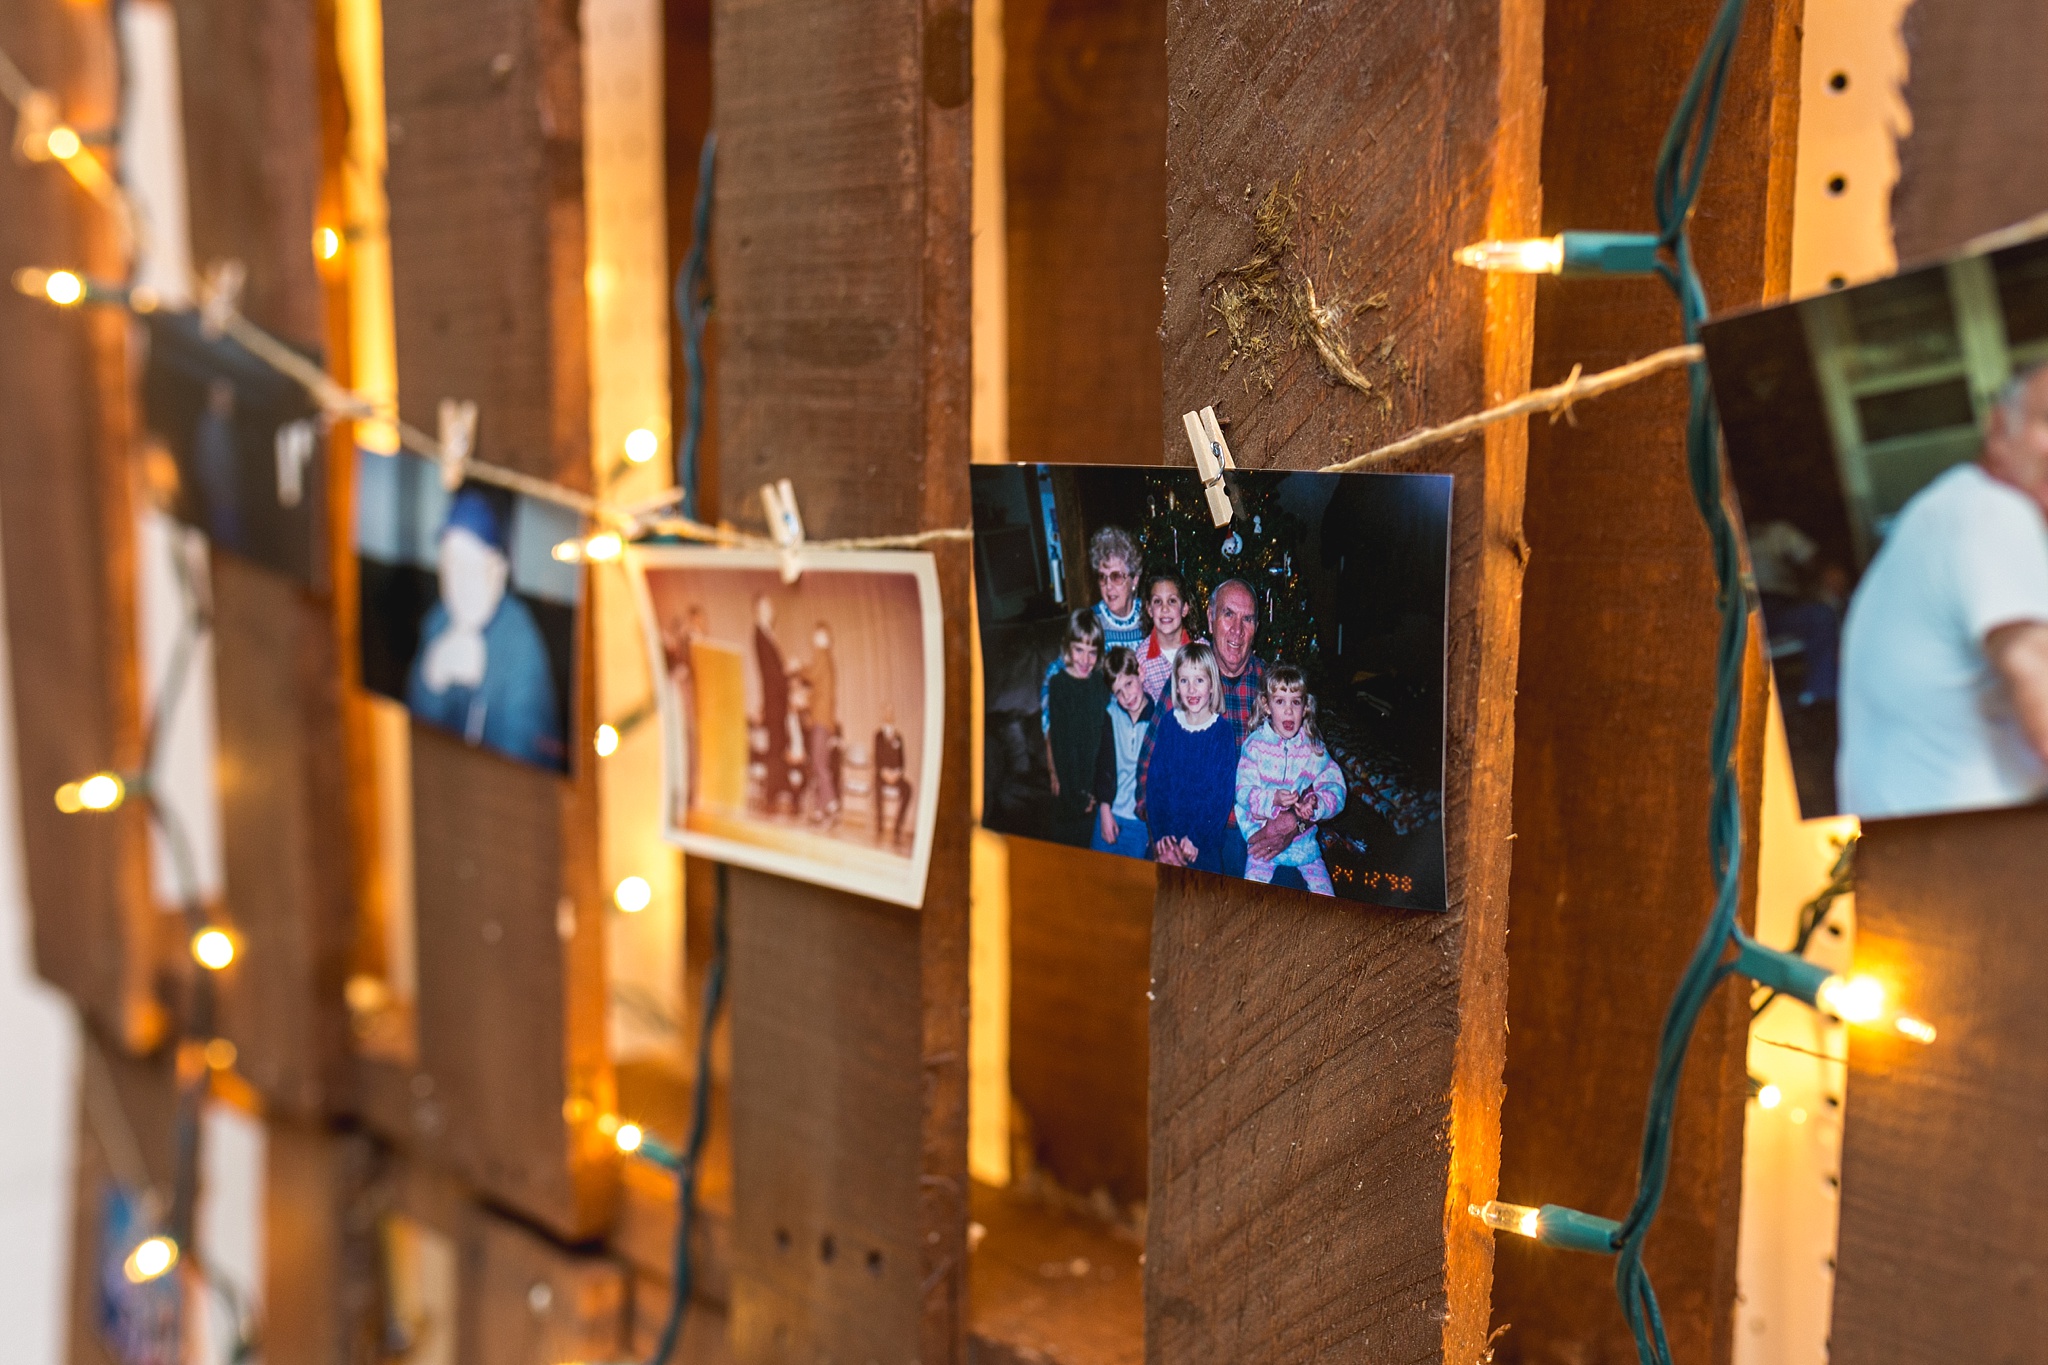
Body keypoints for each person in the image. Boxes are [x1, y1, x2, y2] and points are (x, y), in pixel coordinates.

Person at [1837, 362, 2048, 817]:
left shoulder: (1956, 504)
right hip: (1961, 842)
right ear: (1998, 429)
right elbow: (2040, 681)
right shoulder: (1993, 514)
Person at [406, 487, 563, 768]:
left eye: (470, 565)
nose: (456, 582)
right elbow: (410, 745)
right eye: (451, 562)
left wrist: (485, 683)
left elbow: (527, 768)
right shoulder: (438, 621)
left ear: (497, 572)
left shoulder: (522, 645)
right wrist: (430, 681)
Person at [1136, 577, 1267, 874]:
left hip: (1247, 827)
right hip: (1179, 824)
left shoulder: (1270, 686)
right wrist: (1160, 838)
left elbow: (1309, 757)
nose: (1237, 629)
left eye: (1247, 619)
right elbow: (1149, 769)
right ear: (1210, 618)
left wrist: (1292, 821)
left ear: (1256, 629)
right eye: (1228, 614)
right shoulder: (1187, 680)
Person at [1234, 665, 1346, 894]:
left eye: (1295, 702)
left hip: (1305, 848)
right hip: (1262, 843)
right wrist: (1271, 799)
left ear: (1305, 707)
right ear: (1266, 706)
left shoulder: (1314, 749)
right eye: (1280, 702)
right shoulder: (1255, 746)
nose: (1288, 712)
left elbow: (1337, 788)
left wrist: (1315, 805)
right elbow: (1243, 791)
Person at [1039, 526, 1148, 737]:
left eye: (1116, 577)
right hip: (1106, 730)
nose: (1108, 586)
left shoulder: (1152, 616)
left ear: (1134, 580)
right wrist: (1050, 729)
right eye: (1102, 577)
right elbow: (1053, 675)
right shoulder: (1091, 623)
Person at [1145, 642, 1239, 874]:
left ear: (1211, 685)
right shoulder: (1169, 723)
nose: (1191, 689)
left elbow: (1221, 796)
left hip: (1202, 843)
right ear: (1176, 686)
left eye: (1199, 680)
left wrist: (1196, 838)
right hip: (1166, 837)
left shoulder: (1221, 732)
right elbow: (1156, 784)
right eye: (1184, 680)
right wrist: (1160, 833)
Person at [1044, 610, 1108, 847]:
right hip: (1070, 793)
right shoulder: (1059, 684)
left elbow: (1102, 741)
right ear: (1067, 648)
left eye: (1092, 652)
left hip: (1096, 789)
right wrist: (1077, 796)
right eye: (1079, 649)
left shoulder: (1100, 684)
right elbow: (1062, 745)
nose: (1085, 659)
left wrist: (1098, 793)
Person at [1090, 644, 1156, 858]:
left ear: (1141, 674)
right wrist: (1104, 809)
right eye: (1119, 692)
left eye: (1129, 683)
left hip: (1139, 822)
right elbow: (1103, 764)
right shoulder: (1111, 715)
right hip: (1109, 813)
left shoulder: (1158, 720)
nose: (1127, 696)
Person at [753, 594, 793, 811]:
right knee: (774, 748)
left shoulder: (768, 634)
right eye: (768, 606)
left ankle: (775, 795)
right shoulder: (760, 634)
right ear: (758, 609)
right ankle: (770, 797)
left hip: (777, 702)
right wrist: (786, 672)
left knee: (777, 747)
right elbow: (771, 673)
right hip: (774, 702)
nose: (773, 610)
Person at [1138, 571, 1195, 703]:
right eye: (1157, 601)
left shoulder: (1202, 649)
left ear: (1185, 608)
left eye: (1172, 601)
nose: (1164, 609)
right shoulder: (1142, 659)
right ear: (1149, 610)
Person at [805, 621, 841, 823]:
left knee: (819, 763)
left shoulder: (820, 654)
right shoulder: (829, 660)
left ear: (825, 638)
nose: (814, 639)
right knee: (821, 763)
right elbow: (820, 692)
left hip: (821, 720)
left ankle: (832, 803)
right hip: (826, 720)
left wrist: (797, 667)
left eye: (818, 635)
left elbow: (811, 675)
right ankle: (819, 811)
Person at [874, 704, 913, 845]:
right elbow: (877, 758)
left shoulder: (899, 737)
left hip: (896, 776)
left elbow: (902, 761)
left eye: (891, 712)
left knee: (908, 789)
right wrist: (884, 773)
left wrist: (896, 774)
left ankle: (897, 828)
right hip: (882, 776)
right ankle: (879, 827)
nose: (888, 715)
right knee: (877, 787)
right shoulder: (878, 735)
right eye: (886, 712)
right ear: (883, 715)